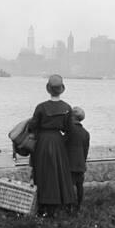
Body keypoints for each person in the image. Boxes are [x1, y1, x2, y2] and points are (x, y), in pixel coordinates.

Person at [29, 74, 76, 217]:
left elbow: (33, 126)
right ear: (62, 89)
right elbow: (70, 130)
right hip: (58, 141)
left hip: (43, 141)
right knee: (59, 173)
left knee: (42, 172)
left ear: (48, 89)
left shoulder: (41, 107)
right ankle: (61, 203)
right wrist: (62, 141)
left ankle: (43, 205)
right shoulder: (67, 107)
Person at [66, 106, 90, 212]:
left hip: (69, 163)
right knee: (79, 186)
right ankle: (78, 206)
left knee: (69, 186)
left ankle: (69, 207)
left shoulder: (70, 130)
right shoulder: (85, 133)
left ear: (72, 117)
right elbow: (85, 150)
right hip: (80, 163)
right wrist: (83, 162)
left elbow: (63, 143)